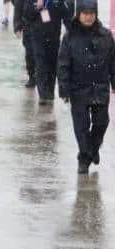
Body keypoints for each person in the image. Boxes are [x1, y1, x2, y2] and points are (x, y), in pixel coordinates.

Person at [58, 0, 115, 174]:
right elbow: (63, 64)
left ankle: (93, 149)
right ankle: (84, 158)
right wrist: (64, 88)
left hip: (100, 87)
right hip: (78, 88)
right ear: (78, 14)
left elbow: (113, 61)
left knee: (101, 122)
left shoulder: (105, 35)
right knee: (81, 126)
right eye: (85, 13)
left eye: (92, 13)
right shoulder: (69, 37)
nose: (89, 17)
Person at [21, 0, 73, 104]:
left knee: (52, 64)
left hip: (54, 36)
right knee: (41, 64)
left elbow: (66, 15)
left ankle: (50, 91)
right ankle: (43, 95)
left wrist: (71, 31)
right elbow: (26, 13)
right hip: (38, 36)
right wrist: (38, 7)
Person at [14, 0, 37, 87]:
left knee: (41, 54)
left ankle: (40, 75)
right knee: (30, 53)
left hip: (43, 27)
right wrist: (17, 27)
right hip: (28, 26)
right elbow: (18, 9)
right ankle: (32, 75)